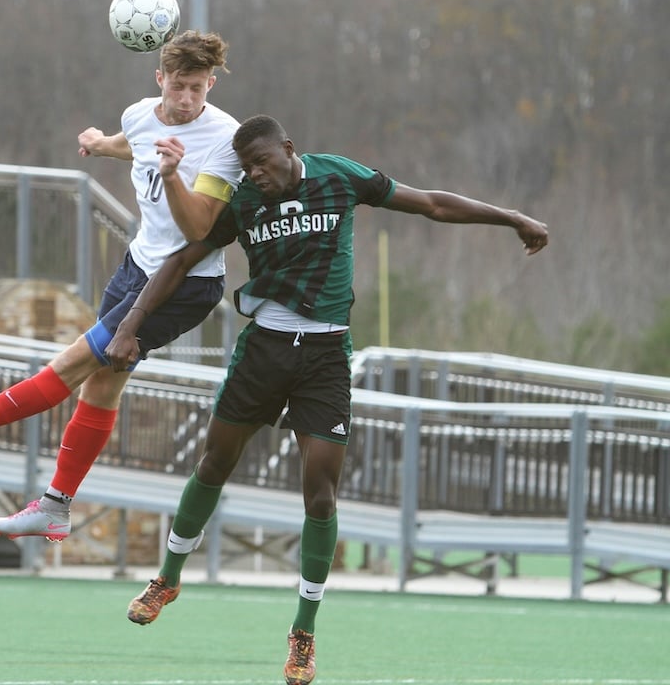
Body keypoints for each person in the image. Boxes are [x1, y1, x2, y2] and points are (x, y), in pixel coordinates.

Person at [107, 115, 549, 685]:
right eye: (246, 168)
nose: (255, 175)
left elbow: (432, 204)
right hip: (263, 348)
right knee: (215, 462)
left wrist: (511, 217)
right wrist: (130, 326)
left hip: (325, 358)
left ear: (288, 150)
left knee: (320, 492)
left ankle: (304, 633)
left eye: (262, 164)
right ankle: (168, 577)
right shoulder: (244, 203)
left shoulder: (340, 178)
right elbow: (181, 260)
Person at [0, 30, 244, 540]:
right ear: (160, 78)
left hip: (182, 285)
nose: (187, 100)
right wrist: (100, 145)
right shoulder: (140, 114)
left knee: (74, 362)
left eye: (198, 89)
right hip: (135, 269)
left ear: (212, 84)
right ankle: (55, 506)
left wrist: (172, 175)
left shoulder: (224, 141)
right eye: (179, 86)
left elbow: (200, 231)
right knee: (101, 384)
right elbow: (134, 144)